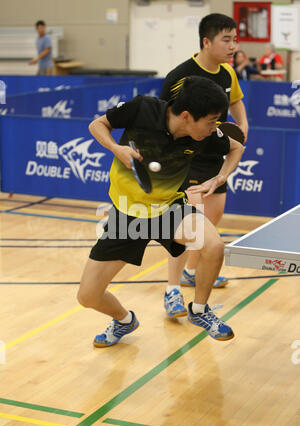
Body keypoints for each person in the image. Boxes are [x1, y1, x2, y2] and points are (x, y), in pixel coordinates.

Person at [77, 77, 244, 347]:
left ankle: (200, 311)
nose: (215, 127)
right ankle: (123, 320)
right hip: (126, 216)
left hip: (169, 210)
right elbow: (97, 125)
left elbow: (236, 148)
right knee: (88, 296)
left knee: (214, 246)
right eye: (211, 120)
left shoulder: (205, 136)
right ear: (187, 116)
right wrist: (116, 148)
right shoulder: (142, 109)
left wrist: (220, 178)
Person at [160, 13, 249, 317]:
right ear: (206, 41)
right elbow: (165, 118)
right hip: (185, 159)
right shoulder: (179, 76)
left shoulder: (227, 73)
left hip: (215, 155)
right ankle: (172, 290)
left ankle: (191, 271)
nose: (233, 45)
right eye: (227, 39)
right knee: (185, 225)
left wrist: (243, 123)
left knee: (213, 216)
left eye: (235, 39)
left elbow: (235, 100)